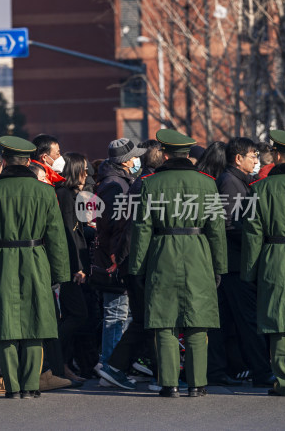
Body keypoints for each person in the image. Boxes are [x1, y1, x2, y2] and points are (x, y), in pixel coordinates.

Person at [128, 129, 227, 398]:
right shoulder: (207, 183)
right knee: (197, 322)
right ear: (187, 154)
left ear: (166, 153)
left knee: (165, 321)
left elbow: (142, 230)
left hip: (163, 252)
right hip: (198, 253)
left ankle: (169, 383)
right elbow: (216, 229)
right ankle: (197, 384)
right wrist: (219, 266)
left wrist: (137, 267)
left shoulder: (151, 183)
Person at [0, 136, 69, 399]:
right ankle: (31, 385)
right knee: (36, 321)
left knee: (6, 324)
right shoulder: (46, 192)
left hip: (2, 261)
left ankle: (11, 386)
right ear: (28, 162)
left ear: (3, 161)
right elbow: (57, 238)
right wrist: (60, 274)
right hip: (36, 257)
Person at [208, 138, 274, 387]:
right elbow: (228, 225)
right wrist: (257, 237)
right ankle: (260, 371)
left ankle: (219, 370)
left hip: (233, 263)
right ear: (238, 158)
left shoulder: (238, 181)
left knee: (227, 322)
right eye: (253, 156)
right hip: (234, 264)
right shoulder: (230, 182)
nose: (256, 161)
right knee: (248, 321)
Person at [241, 129, 285, 396]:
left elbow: (252, 235)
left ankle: (284, 382)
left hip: (275, 256)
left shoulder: (258, 190)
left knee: (279, 322)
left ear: (276, 155)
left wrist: (250, 273)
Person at [104, 139, 163, 388]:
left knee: (142, 319)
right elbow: (129, 229)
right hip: (133, 261)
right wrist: (125, 261)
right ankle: (155, 372)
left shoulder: (132, 182)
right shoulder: (129, 185)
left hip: (131, 261)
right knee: (147, 319)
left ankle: (117, 366)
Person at [93, 138, 146, 390]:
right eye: (134, 157)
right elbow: (115, 226)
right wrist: (117, 257)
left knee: (121, 314)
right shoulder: (115, 185)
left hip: (115, 257)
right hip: (112, 259)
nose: (138, 161)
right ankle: (109, 367)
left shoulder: (119, 182)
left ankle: (113, 366)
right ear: (125, 162)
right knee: (115, 314)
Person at [54, 153, 90, 382]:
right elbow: (68, 233)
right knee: (78, 315)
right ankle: (54, 357)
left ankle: (62, 365)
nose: (87, 175)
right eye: (83, 170)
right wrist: (76, 266)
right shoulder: (65, 195)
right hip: (69, 267)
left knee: (73, 315)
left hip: (71, 264)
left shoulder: (72, 194)